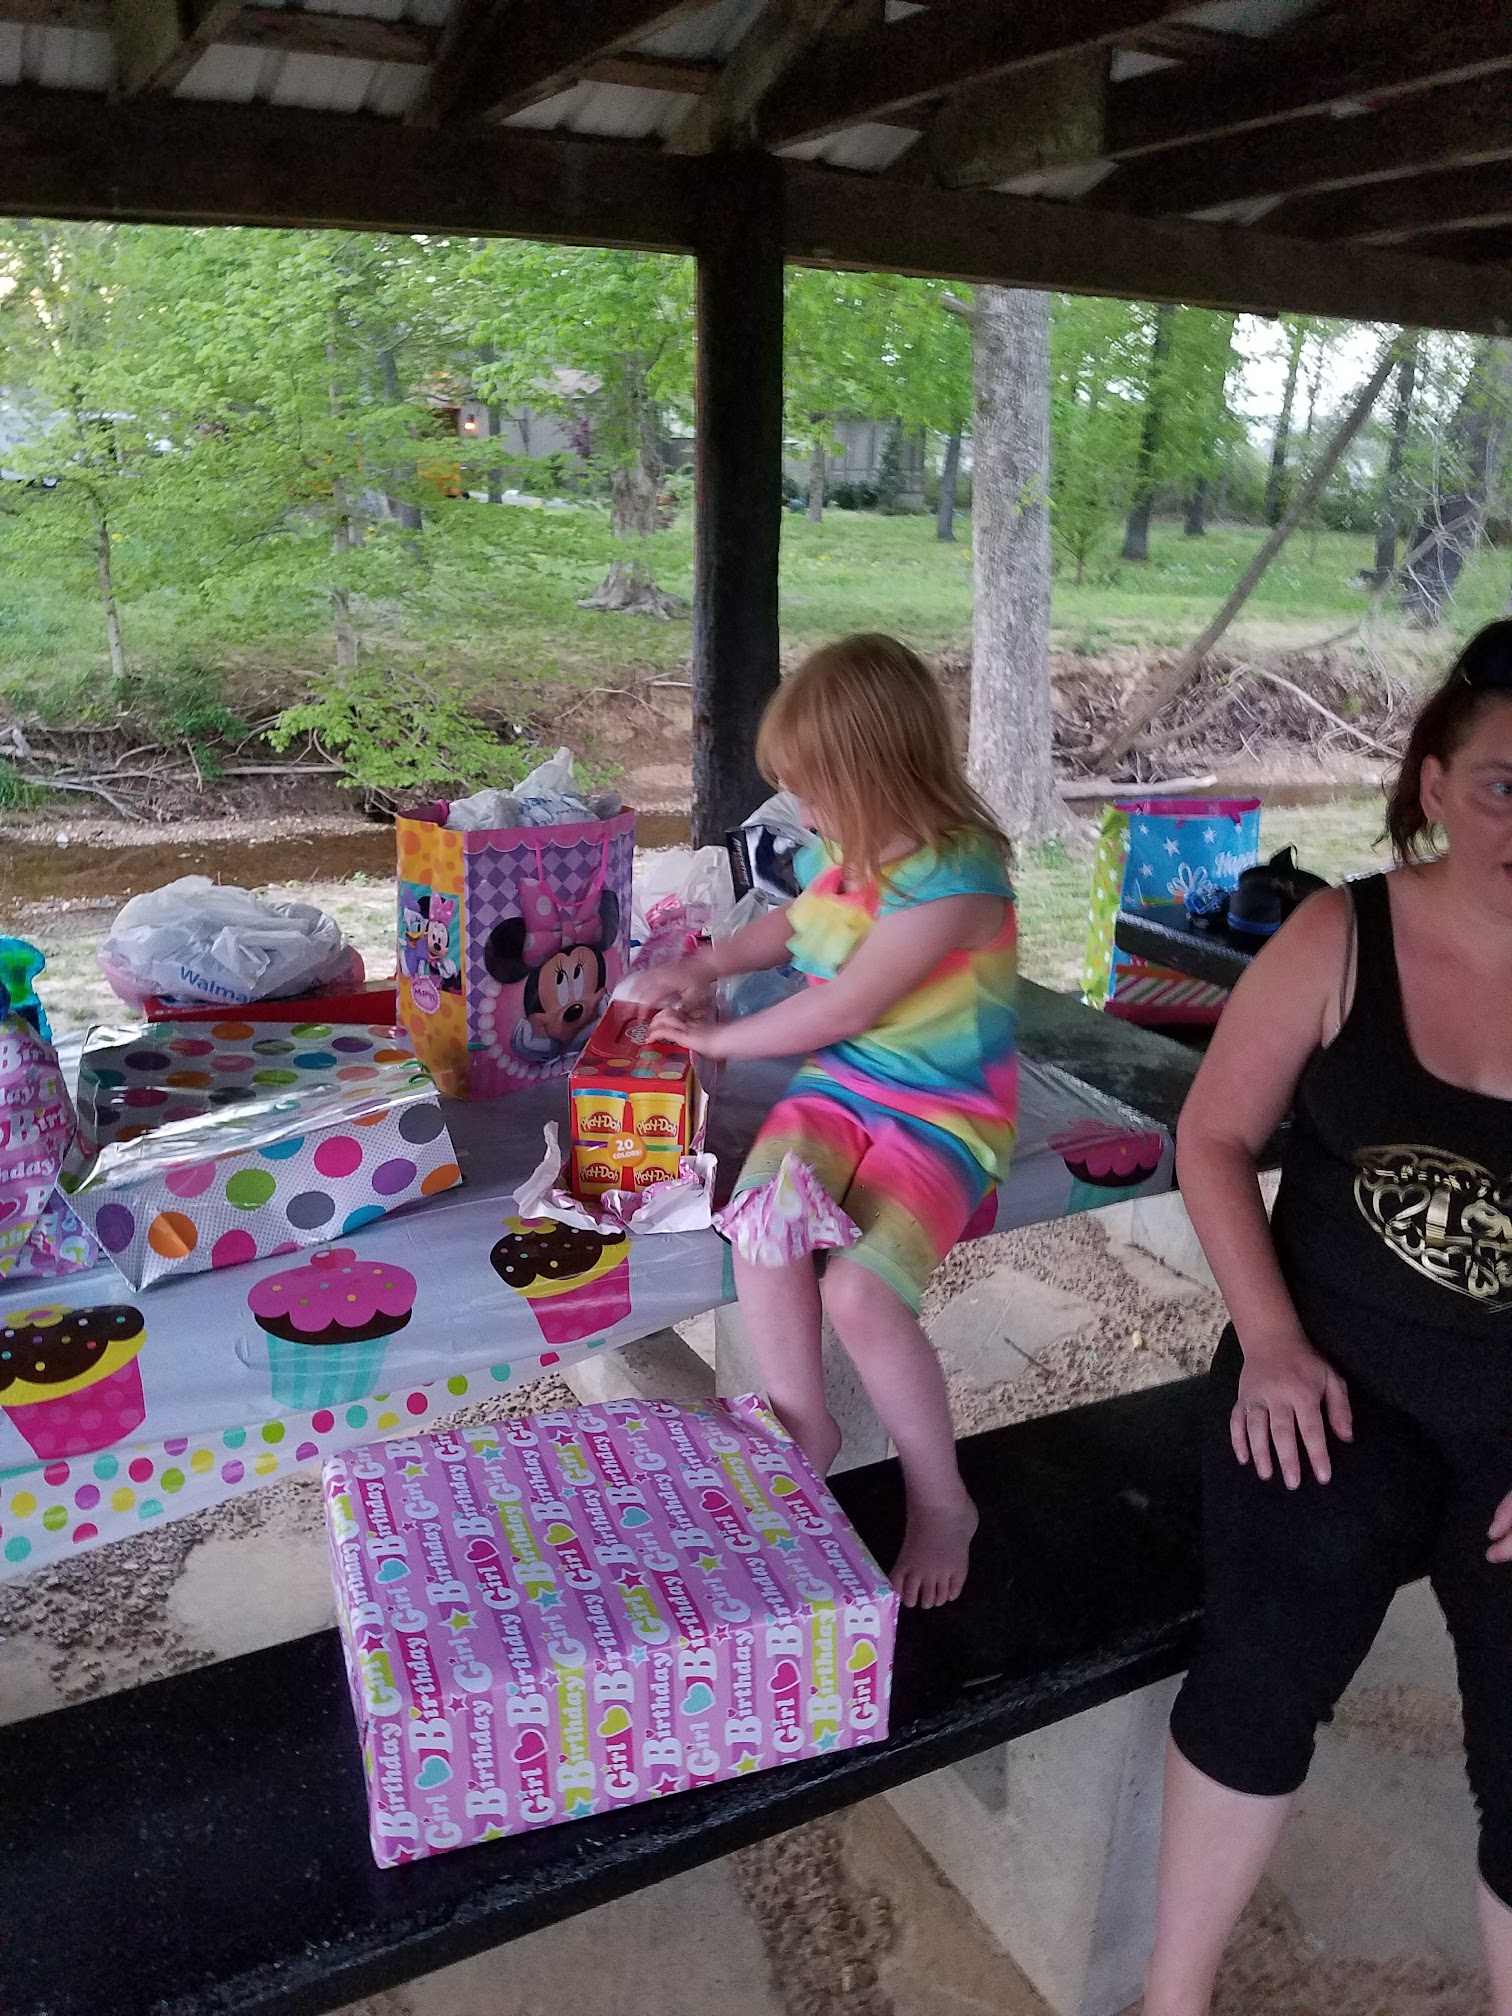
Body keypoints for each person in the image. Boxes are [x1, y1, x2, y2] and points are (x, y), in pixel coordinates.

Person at [1145, 619, 1512, 2014]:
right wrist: (1274, 1343)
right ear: (1436, 782)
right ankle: (1172, 1998)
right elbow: (1213, 1138)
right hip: (1332, 1374)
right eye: (1506, 785)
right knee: (1274, 1637)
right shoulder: (1338, 936)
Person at [635, 633, 1016, 1608]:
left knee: (860, 1296)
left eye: (814, 789)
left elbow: (846, 1004)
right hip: (842, 1091)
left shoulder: (959, 879)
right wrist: (705, 963)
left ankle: (944, 1499)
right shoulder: (848, 856)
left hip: (940, 1118)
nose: (803, 812)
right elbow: (793, 922)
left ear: (879, 772)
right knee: (759, 1219)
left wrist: (720, 1038)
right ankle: (803, 1420)